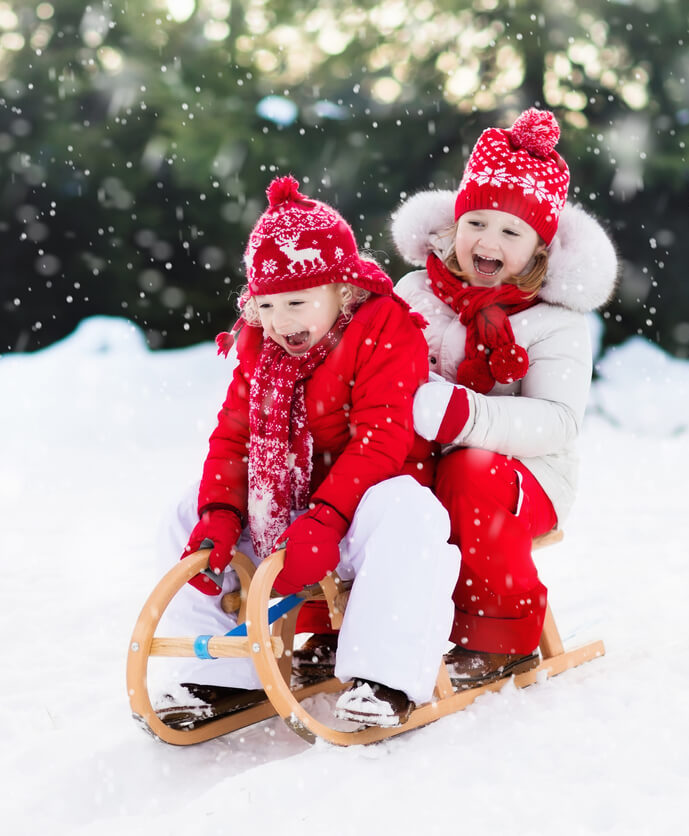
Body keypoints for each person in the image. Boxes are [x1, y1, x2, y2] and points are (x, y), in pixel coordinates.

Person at [151, 175, 461, 729]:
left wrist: (328, 515)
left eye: (297, 302)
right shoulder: (260, 347)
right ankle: (221, 675)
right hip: (288, 514)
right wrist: (219, 514)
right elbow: (233, 438)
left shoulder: (384, 328)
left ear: (341, 289)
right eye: (267, 305)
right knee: (185, 513)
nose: (282, 322)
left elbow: (381, 440)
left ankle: (382, 678)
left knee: (410, 511)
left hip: (359, 506)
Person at [389, 108, 618, 688]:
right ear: (453, 225)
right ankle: (351, 624)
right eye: (477, 223)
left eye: (511, 233)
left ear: (540, 249)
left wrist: (462, 415)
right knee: (365, 473)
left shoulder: (555, 322)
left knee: (471, 469)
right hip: (424, 462)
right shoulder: (417, 291)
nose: (488, 242)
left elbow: (558, 421)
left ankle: (496, 634)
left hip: (524, 479)